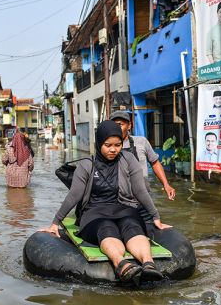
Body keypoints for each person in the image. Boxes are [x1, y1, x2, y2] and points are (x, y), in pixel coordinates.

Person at [39, 121, 172, 284]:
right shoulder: (87, 164)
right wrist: (55, 222)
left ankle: (148, 264)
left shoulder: (128, 159)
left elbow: (140, 190)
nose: (113, 149)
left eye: (117, 145)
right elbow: (74, 195)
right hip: (94, 213)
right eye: (108, 145)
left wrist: (155, 216)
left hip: (124, 208)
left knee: (132, 225)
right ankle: (121, 264)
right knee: (106, 227)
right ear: (99, 143)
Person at [109, 110, 175, 201]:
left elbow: (155, 163)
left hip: (143, 196)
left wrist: (166, 185)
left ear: (129, 126)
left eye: (120, 124)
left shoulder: (141, 142)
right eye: (113, 125)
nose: (116, 128)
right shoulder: (107, 147)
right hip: (118, 197)